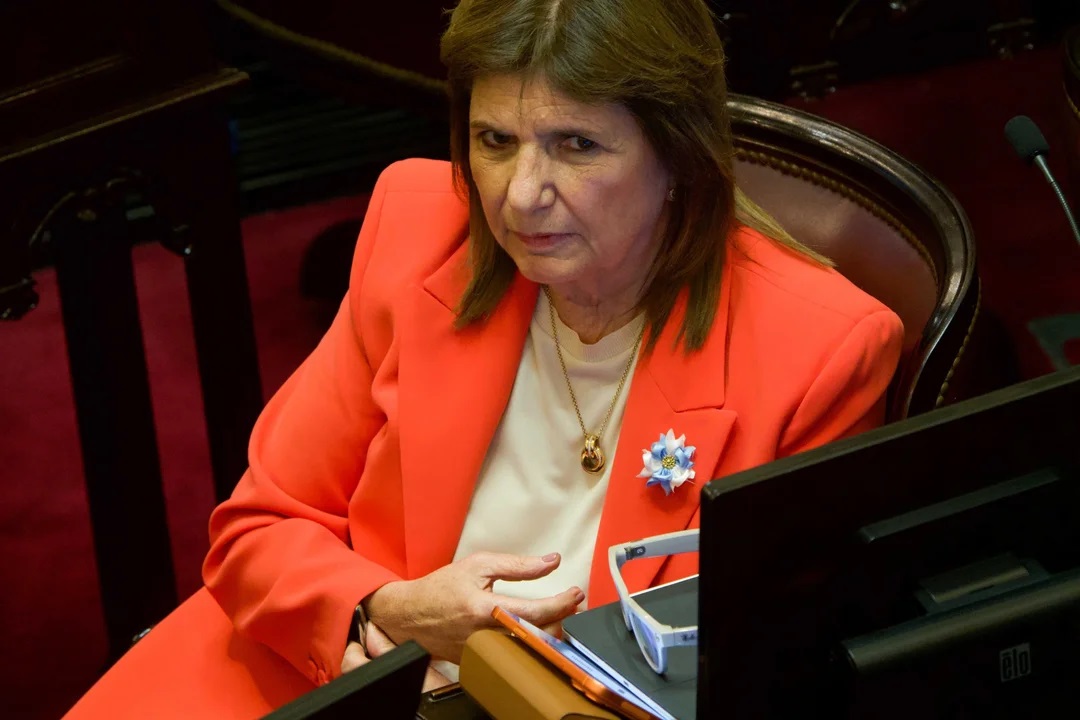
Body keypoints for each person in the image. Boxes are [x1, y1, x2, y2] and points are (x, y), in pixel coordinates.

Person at [64, 0, 903, 717]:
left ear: (679, 156)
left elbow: (760, 673)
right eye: (495, 139)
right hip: (332, 673)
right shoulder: (418, 227)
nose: (520, 194)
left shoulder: (820, 352)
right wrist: (379, 607)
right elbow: (259, 528)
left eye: (576, 145)